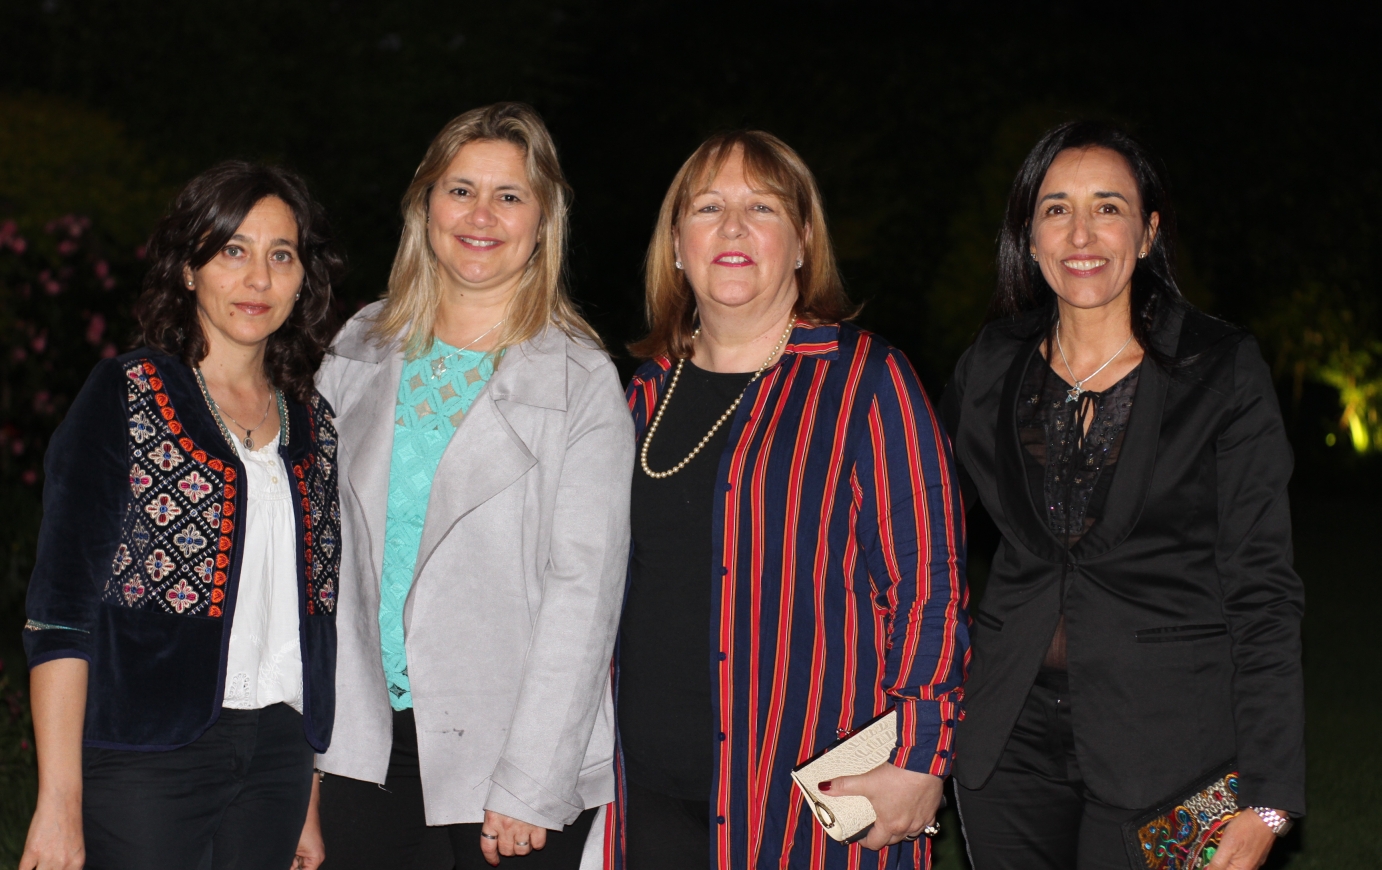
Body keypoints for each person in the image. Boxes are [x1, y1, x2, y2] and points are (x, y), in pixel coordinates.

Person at [941, 122, 1305, 870]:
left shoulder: (1219, 370)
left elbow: (1263, 587)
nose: (1082, 232)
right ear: (1030, 238)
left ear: (1147, 234)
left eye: (1108, 207)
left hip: (1175, 752)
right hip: (1007, 743)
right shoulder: (991, 363)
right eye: (1056, 209)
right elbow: (915, 527)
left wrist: (1268, 796)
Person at [603, 129, 968, 870]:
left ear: (802, 242)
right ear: (677, 244)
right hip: (643, 799)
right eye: (708, 207)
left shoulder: (866, 380)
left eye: (761, 207)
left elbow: (931, 586)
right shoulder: (639, 395)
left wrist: (924, 756)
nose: (733, 227)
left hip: (801, 807)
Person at [314, 102, 633, 869]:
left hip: (508, 768)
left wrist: (532, 779)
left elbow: (584, 597)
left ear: (542, 220)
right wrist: (308, 766)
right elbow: (314, 556)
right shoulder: (357, 346)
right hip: (362, 751)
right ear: (425, 206)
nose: (481, 214)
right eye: (460, 190)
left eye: (510, 195)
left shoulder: (580, 380)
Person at [19, 161, 346, 870]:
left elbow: (318, 620)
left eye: (280, 255)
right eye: (233, 251)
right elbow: (59, 615)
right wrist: (58, 805)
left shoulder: (315, 423)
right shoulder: (126, 394)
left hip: (278, 765)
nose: (258, 279)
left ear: (302, 278)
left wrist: (309, 799)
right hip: (146, 761)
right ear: (189, 269)